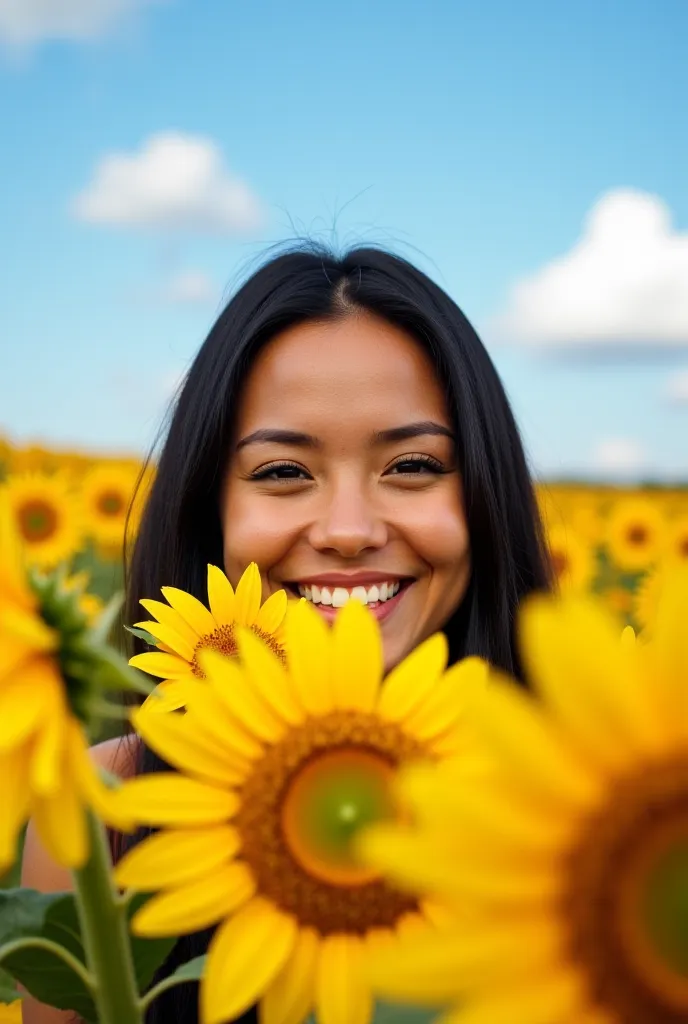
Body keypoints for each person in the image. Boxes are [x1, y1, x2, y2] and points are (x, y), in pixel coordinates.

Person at [21, 242, 553, 1023]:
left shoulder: (590, 811)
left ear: (483, 497)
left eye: (411, 464)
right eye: (282, 472)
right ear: (211, 507)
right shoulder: (107, 812)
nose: (346, 531)